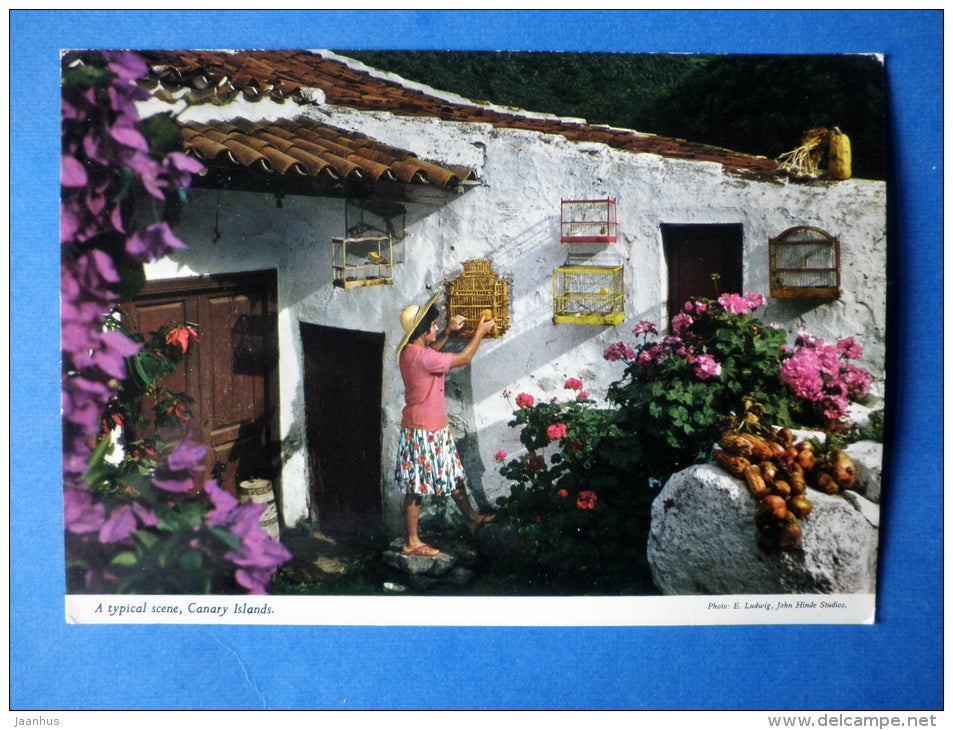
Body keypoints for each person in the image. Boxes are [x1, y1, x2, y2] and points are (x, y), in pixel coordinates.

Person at [395, 293, 496, 557]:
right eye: (433, 326)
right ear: (422, 331)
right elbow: (463, 358)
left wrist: (449, 332)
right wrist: (481, 332)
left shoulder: (412, 351)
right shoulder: (423, 358)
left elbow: (433, 351)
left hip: (432, 429)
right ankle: (411, 543)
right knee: (416, 486)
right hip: (422, 431)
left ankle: (472, 518)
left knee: (451, 474)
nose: (437, 328)